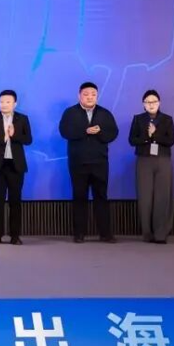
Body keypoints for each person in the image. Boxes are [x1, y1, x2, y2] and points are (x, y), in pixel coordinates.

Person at [59, 81, 119, 243]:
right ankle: (79, 233)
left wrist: (100, 132)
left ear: (97, 96)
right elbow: (64, 131)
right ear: (79, 95)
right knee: (79, 196)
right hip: (78, 163)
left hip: (100, 162)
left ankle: (105, 233)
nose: (90, 97)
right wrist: (84, 131)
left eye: (93, 94)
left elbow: (113, 133)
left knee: (101, 196)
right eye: (86, 94)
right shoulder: (70, 113)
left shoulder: (104, 113)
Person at [0, 89, 33, 245]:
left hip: (16, 166)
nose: (4, 104)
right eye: (1, 102)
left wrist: (14, 135)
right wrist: (3, 138)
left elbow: (28, 139)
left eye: (7, 102)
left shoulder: (22, 119)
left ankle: (15, 236)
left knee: (15, 202)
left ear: (15, 103)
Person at [128, 90, 174, 244]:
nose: (151, 104)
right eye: (148, 102)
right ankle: (147, 233)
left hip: (163, 160)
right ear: (143, 104)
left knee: (162, 196)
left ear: (159, 103)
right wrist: (147, 137)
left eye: (154, 101)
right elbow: (132, 140)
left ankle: (160, 234)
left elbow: (171, 141)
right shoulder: (138, 119)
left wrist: (155, 135)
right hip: (144, 160)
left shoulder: (167, 119)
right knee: (145, 197)